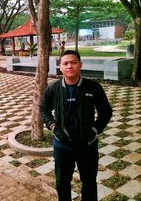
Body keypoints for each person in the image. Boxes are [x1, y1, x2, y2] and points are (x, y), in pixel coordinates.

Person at [40, 50, 112, 201]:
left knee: (89, 182)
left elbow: (105, 111)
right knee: (62, 182)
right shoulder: (53, 89)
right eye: (65, 63)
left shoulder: (93, 87)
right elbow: (43, 109)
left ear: (80, 65)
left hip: (87, 145)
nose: (69, 66)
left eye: (73, 62)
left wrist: (94, 129)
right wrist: (52, 125)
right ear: (60, 67)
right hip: (62, 145)